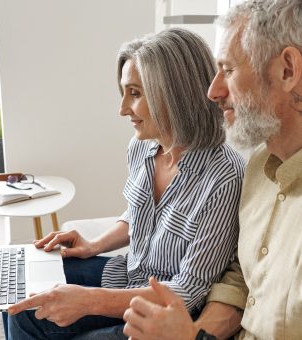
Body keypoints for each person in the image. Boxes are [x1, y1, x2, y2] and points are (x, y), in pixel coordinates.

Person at [3, 27, 245, 339]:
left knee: (46, 318)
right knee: (21, 297)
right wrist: (96, 244)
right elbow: (138, 213)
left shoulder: (224, 176)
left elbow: (189, 290)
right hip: (127, 275)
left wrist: (88, 302)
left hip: (166, 311)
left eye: (134, 93)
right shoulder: (141, 147)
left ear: (174, 93)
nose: (122, 109)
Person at [123, 0, 302, 339]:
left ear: (287, 70)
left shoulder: (227, 172)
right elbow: (241, 281)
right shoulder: (258, 169)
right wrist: (191, 333)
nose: (213, 91)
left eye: (229, 69)